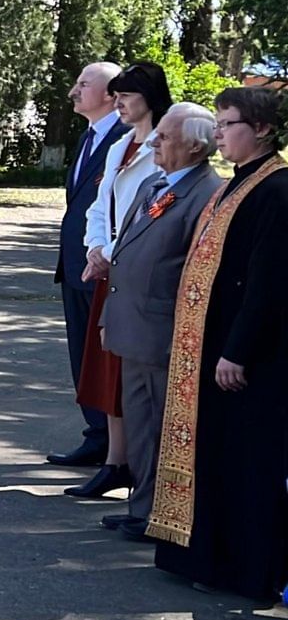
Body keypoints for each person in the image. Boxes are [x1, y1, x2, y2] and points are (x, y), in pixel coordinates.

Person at [148, 87, 288, 605]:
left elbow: (268, 282)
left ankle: (245, 569)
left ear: (263, 129)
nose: (221, 133)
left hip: (246, 357)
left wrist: (239, 350)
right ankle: (200, 553)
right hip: (209, 346)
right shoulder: (236, 184)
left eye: (229, 124)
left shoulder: (276, 189)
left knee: (247, 461)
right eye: (222, 123)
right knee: (215, 452)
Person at [99, 102, 218, 541]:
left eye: (164, 137)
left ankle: (160, 514)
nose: (153, 142)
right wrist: (110, 316)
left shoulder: (207, 194)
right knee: (141, 424)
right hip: (132, 328)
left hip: (164, 334)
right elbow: (126, 250)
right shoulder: (156, 183)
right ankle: (143, 506)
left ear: (194, 145)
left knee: (161, 428)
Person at [68, 61, 175, 499]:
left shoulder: (164, 144)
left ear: (147, 98)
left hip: (133, 268)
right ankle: (115, 460)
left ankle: (134, 465)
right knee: (106, 367)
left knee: (130, 373)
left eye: (127, 97)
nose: (121, 104)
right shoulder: (121, 146)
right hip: (109, 265)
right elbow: (100, 203)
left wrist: (111, 253)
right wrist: (95, 247)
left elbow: (153, 212)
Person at [50, 61, 126, 468]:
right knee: (81, 355)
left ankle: (108, 441)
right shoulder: (89, 137)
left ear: (112, 94)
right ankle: (96, 434)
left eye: (83, 84)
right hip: (78, 262)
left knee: (101, 358)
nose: (73, 92)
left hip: (103, 264)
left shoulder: (127, 137)